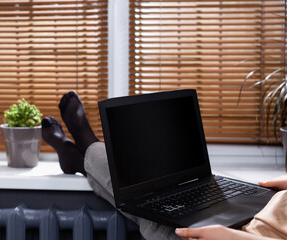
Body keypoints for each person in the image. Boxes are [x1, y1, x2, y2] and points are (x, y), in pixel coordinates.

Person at [42, 91, 287, 240]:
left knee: (145, 196)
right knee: (154, 196)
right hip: (263, 214)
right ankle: (77, 154)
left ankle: (82, 146)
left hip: (243, 235)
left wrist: (232, 238)